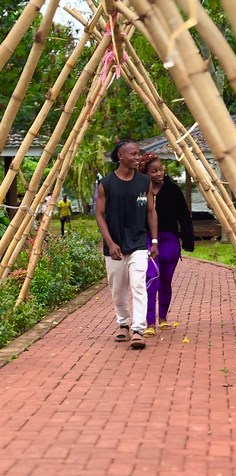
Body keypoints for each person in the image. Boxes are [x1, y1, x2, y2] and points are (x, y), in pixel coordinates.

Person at [96, 140, 158, 349]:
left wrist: (155, 241)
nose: (137, 157)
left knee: (139, 284)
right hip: (114, 246)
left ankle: (138, 329)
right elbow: (99, 214)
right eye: (132, 154)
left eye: (138, 153)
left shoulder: (144, 182)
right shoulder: (106, 184)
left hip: (139, 242)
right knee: (118, 289)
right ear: (120, 157)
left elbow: (151, 211)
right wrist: (110, 243)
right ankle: (123, 324)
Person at [138, 152, 195, 337]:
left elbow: (184, 216)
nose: (159, 173)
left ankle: (163, 318)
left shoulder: (173, 190)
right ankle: (150, 322)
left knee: (165, 281)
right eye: (153, 171)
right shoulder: (139, 191)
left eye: (160, 169)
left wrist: (188, 240)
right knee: (151, 277)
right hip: (147, 239)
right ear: (145, 173)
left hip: (169, 240)